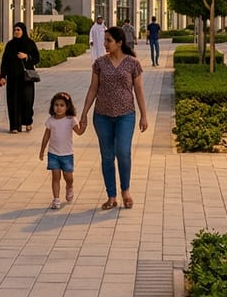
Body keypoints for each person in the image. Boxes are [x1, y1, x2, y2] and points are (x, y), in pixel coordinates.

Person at [80, 26, 148, 211]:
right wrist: (84, 113)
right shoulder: (100, 63)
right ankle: (111, 196)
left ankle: (125, 190)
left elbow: (139, 90)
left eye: (109, 40)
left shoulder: (133, 63)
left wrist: (144, 115)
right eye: (105, 40)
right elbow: (93, 89)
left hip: (126, 115)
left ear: (119, 43)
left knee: (123, 152)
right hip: (102, 116)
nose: (105, 44)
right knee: (107, 156)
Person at [39, 92, 86, 209]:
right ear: (52, 106)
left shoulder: (71, 120)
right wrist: (42, 150)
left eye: (62, 105)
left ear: (67, 107)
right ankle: (56, 199)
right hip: (53, 154)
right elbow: (46, 136)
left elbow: (79, 132)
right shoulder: (51, 120)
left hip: (67, 154)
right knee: (55, 177)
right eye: (56, 105)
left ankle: (69, 186)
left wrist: (83, 126)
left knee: (68, 176)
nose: (58, 108)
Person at [0, 22, 41, 133]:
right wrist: (3, 76)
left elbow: (37, 58)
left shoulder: (29, 43)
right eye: (15, 30)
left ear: (23, 31)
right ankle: (14, 126)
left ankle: (28, 122)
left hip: (26, 79)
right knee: (13, 102)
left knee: (27, 101)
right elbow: (5, 62)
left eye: (18, 30)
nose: (16, 32)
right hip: (13, 79)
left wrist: (26, 56)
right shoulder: (10, 45)